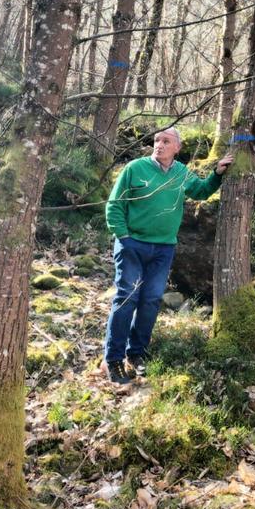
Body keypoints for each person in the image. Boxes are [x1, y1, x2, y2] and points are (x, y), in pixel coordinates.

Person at [103, 127, 233, 384]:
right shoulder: (134, 169)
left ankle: (136, 354)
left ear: (177, 148)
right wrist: (124, 237)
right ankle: (114, 360)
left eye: (166, 141)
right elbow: (114, 205)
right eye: (156, 141)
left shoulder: (181, 173)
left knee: (151, 300)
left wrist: (217, 174)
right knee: (126, 299)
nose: (159, 145)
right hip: (132, 245)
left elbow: (201, 191)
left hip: (163, 248)